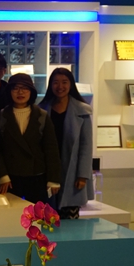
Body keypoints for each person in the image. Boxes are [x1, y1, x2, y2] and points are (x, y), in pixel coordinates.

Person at [0, 73, 62, 204]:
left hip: (37, 175)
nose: (20, 92)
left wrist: (53, 179)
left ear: (31, 91)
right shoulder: (2, 116)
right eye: (15, 88)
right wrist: (2, 175)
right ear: (9, 91)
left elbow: (51, 149)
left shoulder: (42, 116)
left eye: (25, 88)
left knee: (36, 214)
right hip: (10, 177)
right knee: (11, 214)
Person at [39, 68, 94, 219]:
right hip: (48, 168)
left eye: (64, 82)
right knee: (46, 217)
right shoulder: (42, 109)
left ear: (71, 85)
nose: (60, 86)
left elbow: (86, 146)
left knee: (70, 218)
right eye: (56, 82)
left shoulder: (82, 110)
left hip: (72, 170)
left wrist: (82, 175)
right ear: (50, 85)